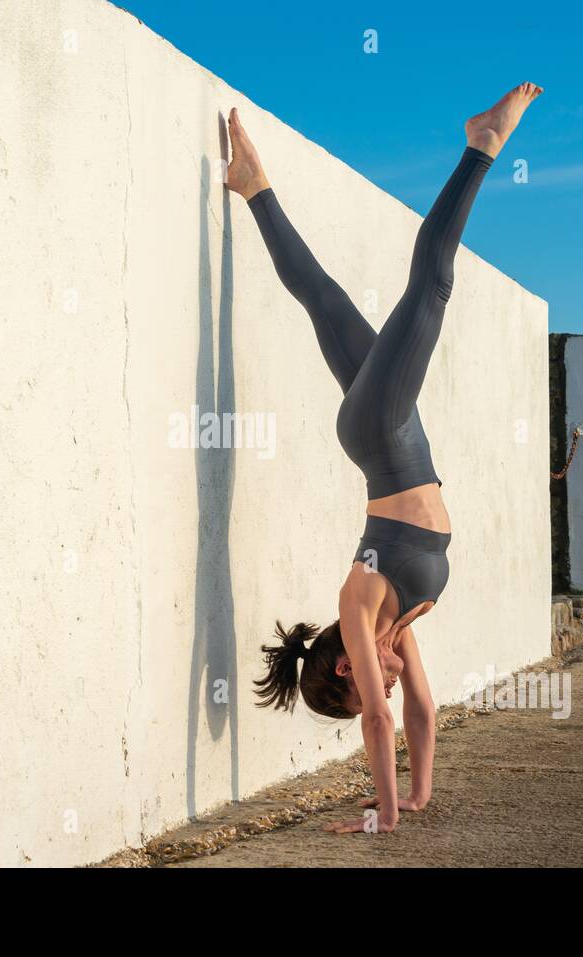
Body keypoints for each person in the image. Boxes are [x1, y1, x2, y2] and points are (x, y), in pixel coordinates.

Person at [231, 83, 543, 834]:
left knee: (431, 286)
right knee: (323, 298)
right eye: (380, 677)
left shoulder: (359, 604)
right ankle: (253, 187)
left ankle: (480, 147)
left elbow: (380, 719)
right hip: (390, 435)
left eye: (360, 684)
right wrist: (420, 793)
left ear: (346, 668)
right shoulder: (394, 627)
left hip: (381, 433)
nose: (387, 679)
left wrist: (386, 816)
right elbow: (422, 712)